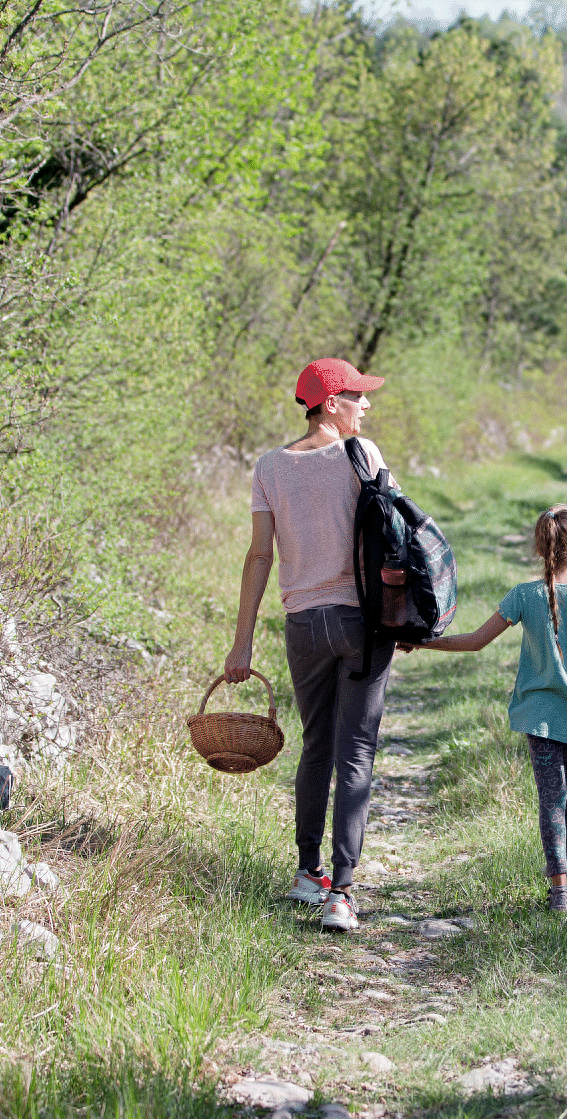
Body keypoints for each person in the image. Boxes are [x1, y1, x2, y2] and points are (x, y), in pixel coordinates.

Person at [224, 357, 396, 934]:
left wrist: (241, 644)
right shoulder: (362, 457)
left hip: (303, 625)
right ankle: (342, 893)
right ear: (328, 404)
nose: (365, 405)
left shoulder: (269, 467)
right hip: (359, 621)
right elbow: (394, 536)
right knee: (356, 753)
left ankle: (307, 874)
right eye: (356, 396)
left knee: (315, 746)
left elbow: (259, 557)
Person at [417, 504, 567, 912]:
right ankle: (561, 879)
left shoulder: (524, 595)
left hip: (538, 716)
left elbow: (475, 640)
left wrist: (424, 642)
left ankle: (560, 884)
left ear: (541, 548)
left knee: (552, 799)